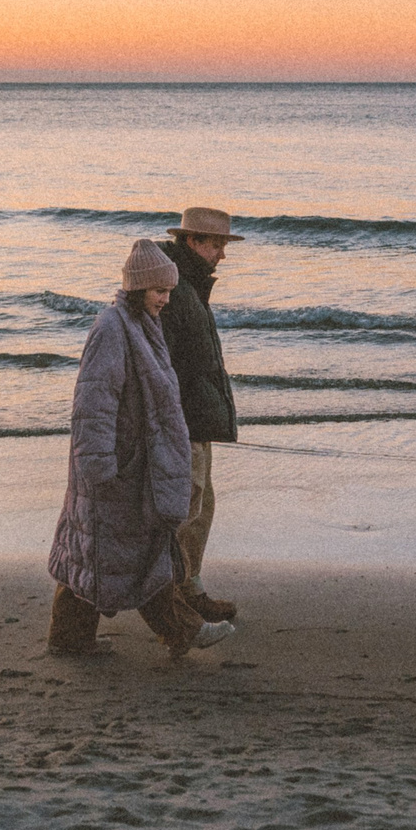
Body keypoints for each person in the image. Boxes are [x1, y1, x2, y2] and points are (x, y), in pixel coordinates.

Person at [45, 239, 236, 658]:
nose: (166, 300)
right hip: (114, 465)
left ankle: (70, 637)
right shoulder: (111, 328)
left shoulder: (142, 324)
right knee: (124, 549)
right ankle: (183, 630)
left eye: (169, 292)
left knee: (99, 550)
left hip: (130, 463)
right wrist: (98, 464)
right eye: (158, 292)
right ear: (137, 289)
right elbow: (93, 401)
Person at [157, 205, 243, 622]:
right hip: (183, 418)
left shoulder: (187, 285)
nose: (221, 255)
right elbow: (167, 361)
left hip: (193, 416)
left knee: (199, 505)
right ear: (193, 242)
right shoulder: (174, 288)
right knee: (188, 510)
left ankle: (188, 588)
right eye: (216, 245)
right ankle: (180, 594)